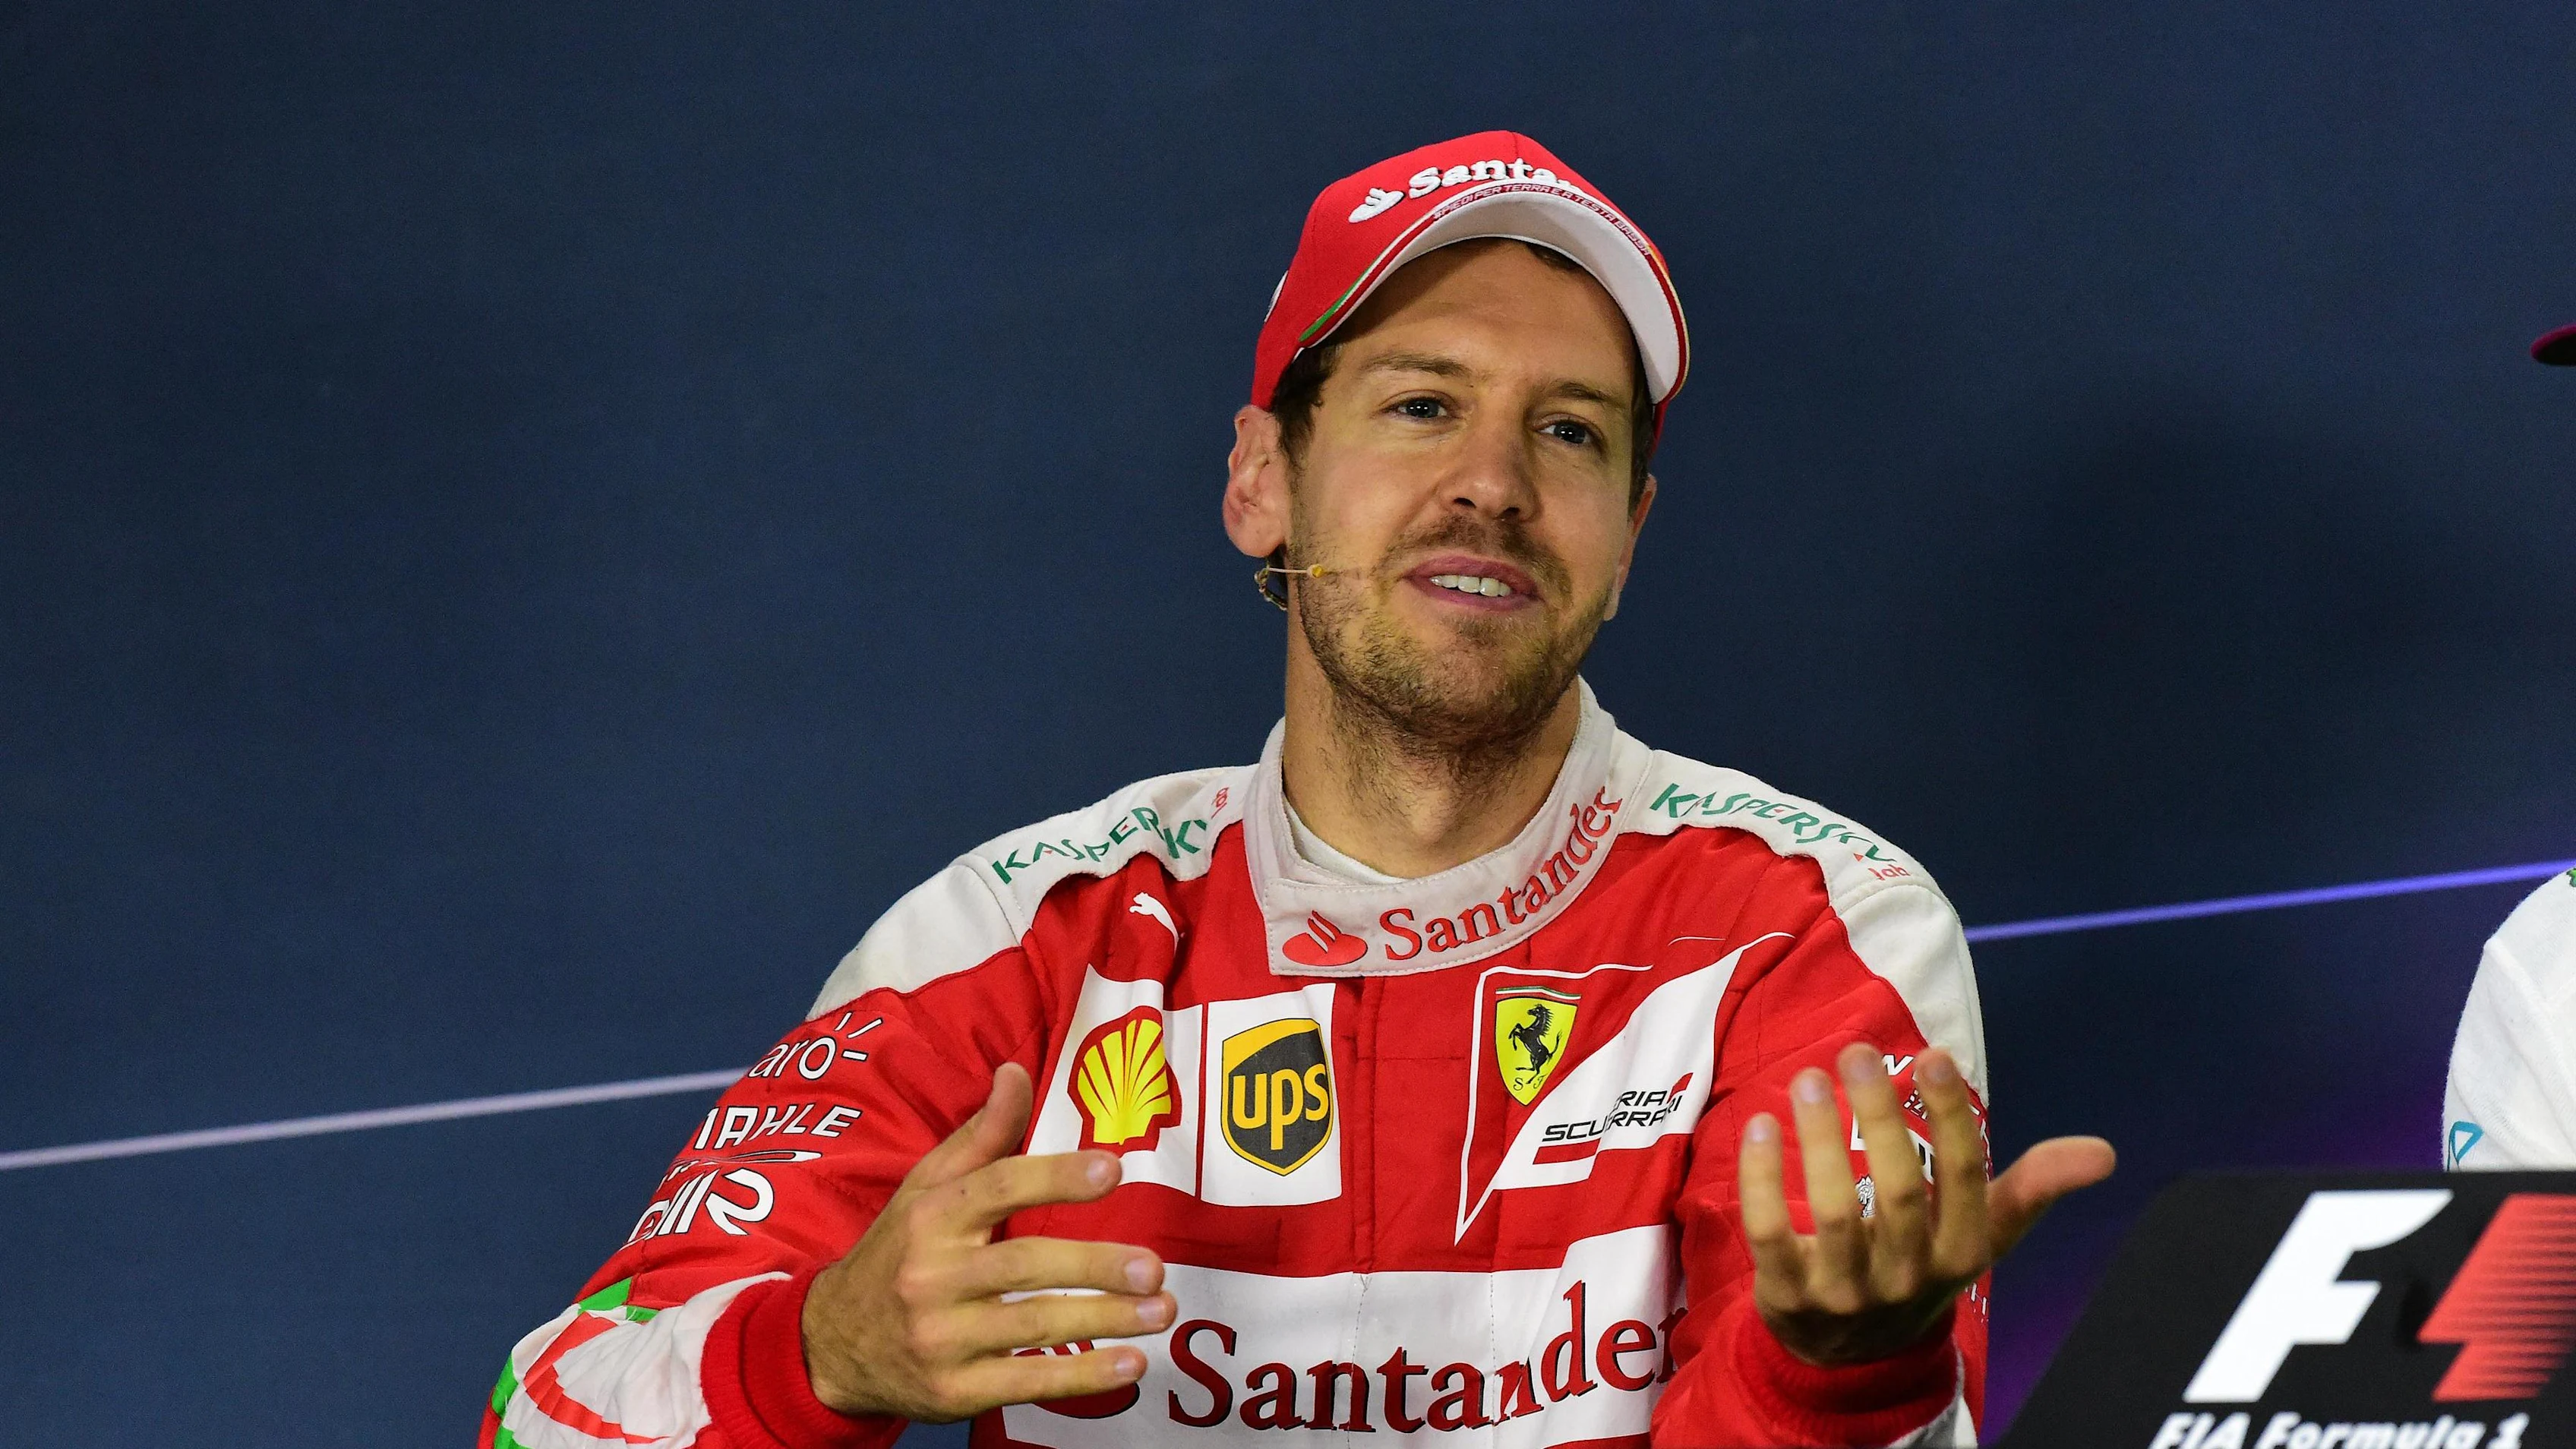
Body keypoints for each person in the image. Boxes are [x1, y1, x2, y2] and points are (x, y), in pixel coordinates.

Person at [479, 132, 2114, 1449]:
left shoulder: (1813, 926)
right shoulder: (1010, 937)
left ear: (1628, 537)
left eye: (1570, 434)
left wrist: (1830, 1385)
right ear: (1262, 482)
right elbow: (547, 1414)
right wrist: (818, 1355)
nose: (1491, 483)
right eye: (1421, 407)